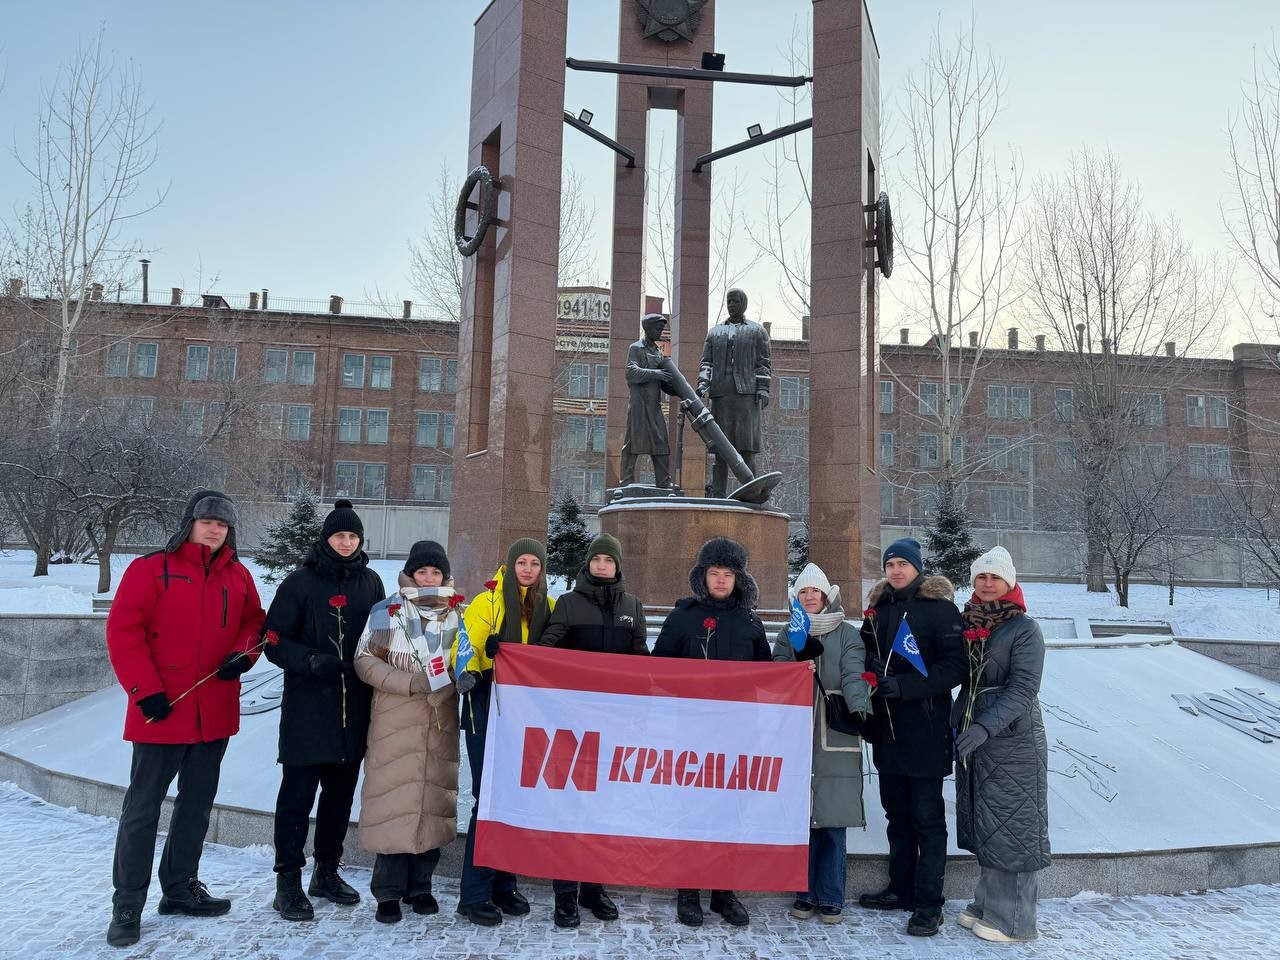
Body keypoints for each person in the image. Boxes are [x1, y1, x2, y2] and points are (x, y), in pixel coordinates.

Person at [104, 490, 265, 948]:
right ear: (189, 523)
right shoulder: (150, 569)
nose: (215, 530)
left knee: (196, 806)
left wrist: (243, 654)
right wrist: (145, 691)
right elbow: (123, 631)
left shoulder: (238, 575)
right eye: (207, 521)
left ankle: (179, 889)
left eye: (223, 524)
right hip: (162, 711)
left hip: (213, 712)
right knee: (142, 810)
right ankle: (127, 904)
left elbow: (255, 623)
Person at [263, 499, 386, 921]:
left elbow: (381, 636)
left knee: (339, 799)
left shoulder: (371, 583)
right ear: (326, 539)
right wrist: (310, 660)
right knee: (296, 800)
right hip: (308, 711)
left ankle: (326, 872)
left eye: (353, 536)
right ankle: (287, 881)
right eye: (339, 535)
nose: (347, 542)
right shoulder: (299, 583)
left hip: (354, 713)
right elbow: (273, 640)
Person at [653, 536, 771, 927]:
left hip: (737, 734)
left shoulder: (751, 622)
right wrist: (693, 686)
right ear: (703, 576)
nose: (721, 580)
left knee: (729, 812)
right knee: (692, 810)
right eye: (714, 573)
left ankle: (723, 891)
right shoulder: (683, 617)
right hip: (693, 732)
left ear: (739, 579)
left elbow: (767, 677)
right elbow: (658, 670)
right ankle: (688, 891)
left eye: (728, 574)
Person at [535, 533, 647, 928]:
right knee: (570, 808)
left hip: (614, 725)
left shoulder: (633, 607)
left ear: (618, 566)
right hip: (573, 724)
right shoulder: (568, 603)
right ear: (588, 564)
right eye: (597, 559)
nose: (602, 565)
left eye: (609, 560)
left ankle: (594, 888)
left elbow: (641, 661)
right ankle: (565, 893)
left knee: (603, 809)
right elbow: (547, 652)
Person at [857, 537, 965, 938]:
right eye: (890, 564)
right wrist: (869, 666)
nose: (896, 570)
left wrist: (904, 687)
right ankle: (900, 889)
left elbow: (955, 668)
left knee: (927, 820)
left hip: (926, 732)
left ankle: (928, 903)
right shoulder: (879, 609)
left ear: (917, 567)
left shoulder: (941, 609)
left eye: (903, 563)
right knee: (897, 817)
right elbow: (863, 651)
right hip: (888, 733)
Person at [450, 537, 555, 926]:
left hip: (526, 715)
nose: (527, 569)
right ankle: (473, 893)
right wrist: (478, 666)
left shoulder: (548, 606)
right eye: (521, 562)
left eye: (534, 564)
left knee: (515, 797)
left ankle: (503, 884)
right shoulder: (488, 602)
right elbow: (463, 648)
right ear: (510, 566)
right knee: (489, 798)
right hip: (487, 707)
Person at [354, 540, 461, 924]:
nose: (429, 578)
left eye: (435, 571)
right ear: (411, 574)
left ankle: (421, 887)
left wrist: (454, 681)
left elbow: (465, 660)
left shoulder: (458, 614)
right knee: (393, 804)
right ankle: (387, 892)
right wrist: (410, 683)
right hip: (396, 719)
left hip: (439, 720)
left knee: (431, 805)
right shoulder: (388, 612)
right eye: (422, 571)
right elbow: (365, 661)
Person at [952, 546, 1050, 943]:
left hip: (1012, 739)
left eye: (995, 577)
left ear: (1009, 582)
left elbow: (1024, 688)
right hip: (977, 735)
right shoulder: (972, 623)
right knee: (989, 822)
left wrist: (984, 727)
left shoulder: (1024, 629)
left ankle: (1016, 921)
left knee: (1014, 826)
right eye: (981, 576)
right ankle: (989, 904)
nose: (988, 583)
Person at [771, 562, 870, 924]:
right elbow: (776, 671)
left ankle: (830, 894)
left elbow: (854, 673)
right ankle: (804, 892)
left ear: (827, 596)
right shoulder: (788, 634)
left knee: (832, 820)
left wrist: (859, 709)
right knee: (802, 821)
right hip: (797, 732)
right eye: (803, 591)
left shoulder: (847, 634)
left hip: (835, 730)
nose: (810, 596)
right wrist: (794, 671)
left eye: (815, 591)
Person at [697, 288, 772, 497]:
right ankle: (718, 494)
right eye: (729, 301)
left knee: (747, 449)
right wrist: (703, 384)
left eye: (736, 301)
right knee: (721, 448)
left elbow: (763, 364)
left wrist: (763, 389)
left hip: (747, 396)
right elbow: (706, 363)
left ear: (744, 304)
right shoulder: (715, 333)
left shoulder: (757, 331)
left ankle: (753, 494)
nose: (731, 305)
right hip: (721, 396)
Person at [620, 313, 675, 488]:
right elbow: (631, 373)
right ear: (648, 328)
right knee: (632, 442)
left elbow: (664, 381)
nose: (660, 332)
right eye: (658, 329)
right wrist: (656, 374)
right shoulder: (636, 348)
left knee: (661, 441)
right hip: (639, 405)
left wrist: (677, 389)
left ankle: (663, 481)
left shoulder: (659, 351)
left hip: (654, 406)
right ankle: (626, 481)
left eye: (662, 329)